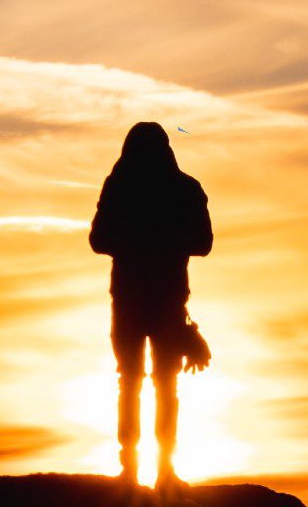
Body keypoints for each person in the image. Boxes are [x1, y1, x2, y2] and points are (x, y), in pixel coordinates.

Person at [89, 122, 212, 492]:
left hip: (142, 300)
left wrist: (138, 240)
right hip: (157, 301)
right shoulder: (184, 189)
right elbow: (202, 242)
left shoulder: (120, 186)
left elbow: (99, 239)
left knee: (134, 382)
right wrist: (165, 240)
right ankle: (155, 472)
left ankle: (141, 471)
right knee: (160, 384)